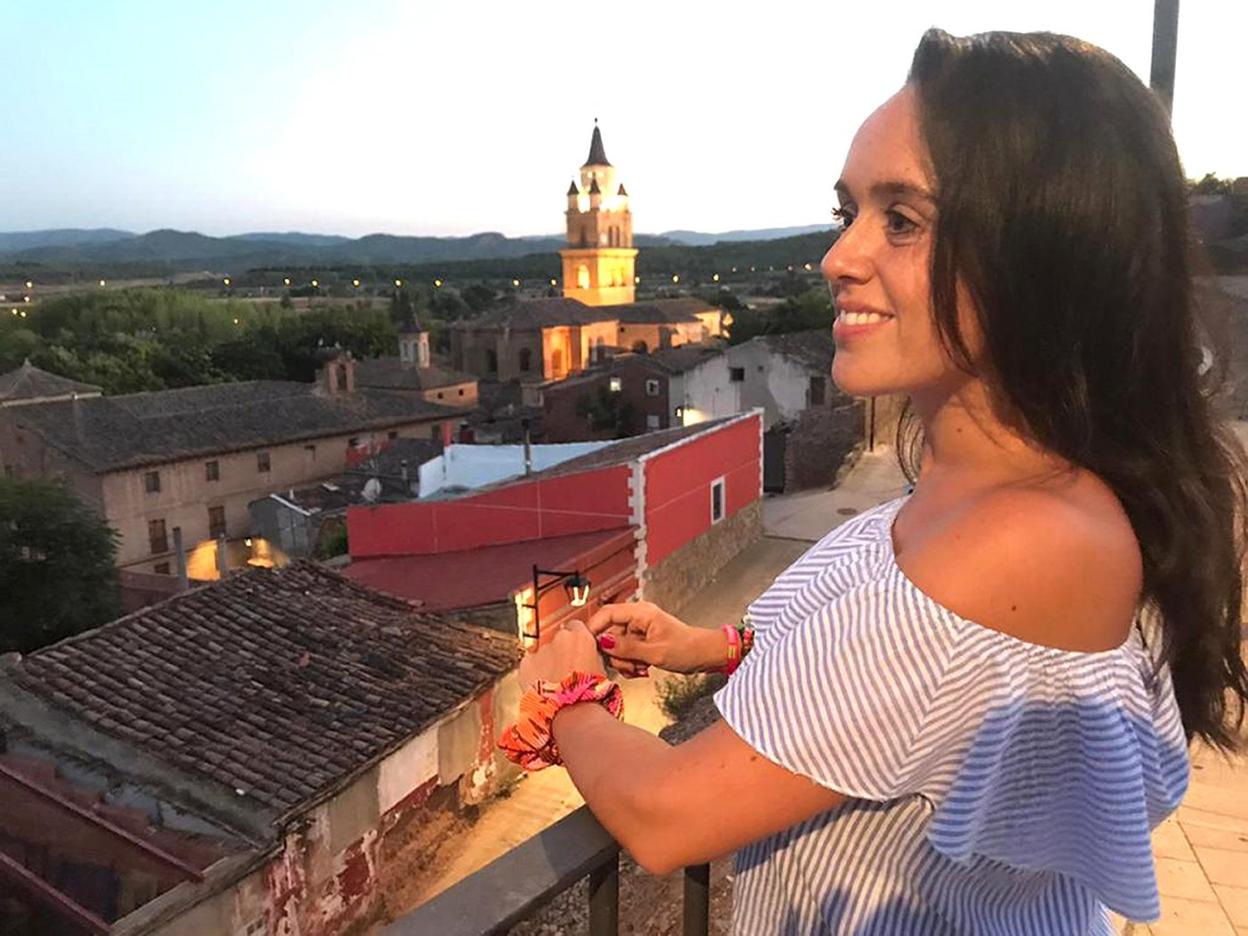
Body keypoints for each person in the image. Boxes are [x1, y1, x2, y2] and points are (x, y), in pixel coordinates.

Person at [502, 28, 1248, 934]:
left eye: (902, 219)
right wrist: (711, 649)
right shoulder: (979, 479)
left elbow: (668, 815)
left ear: (1047, 252)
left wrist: (570, 695)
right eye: (846, 211)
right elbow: (912, 698)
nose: (838, 256)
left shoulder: (1030, 539)